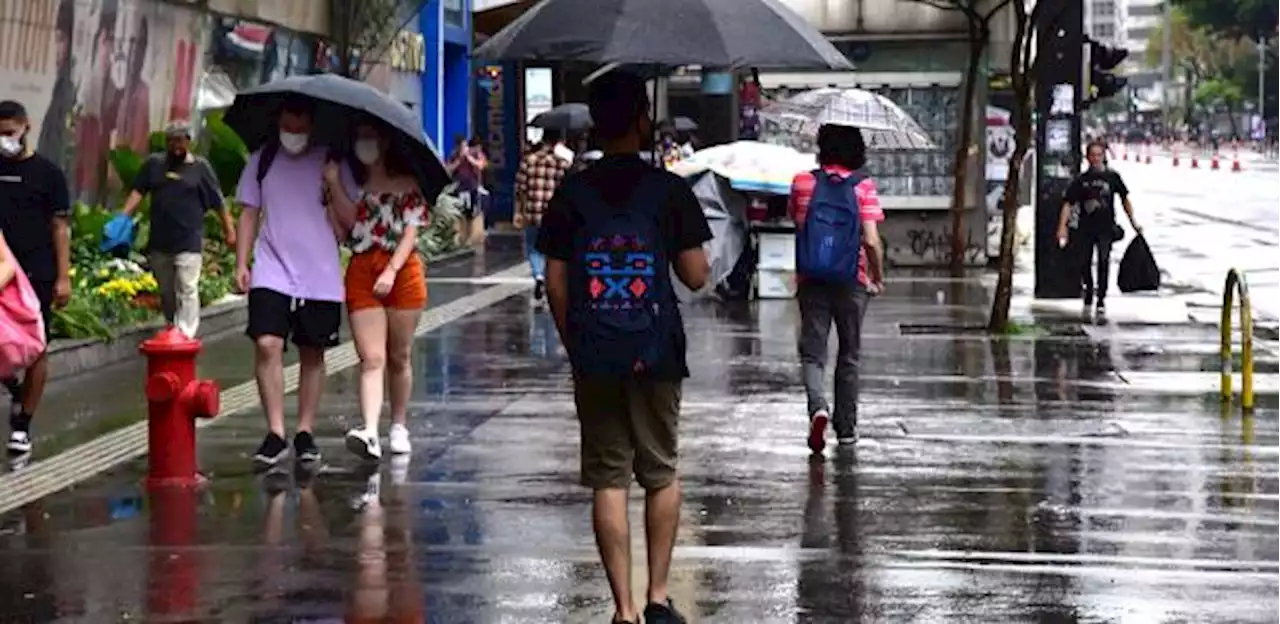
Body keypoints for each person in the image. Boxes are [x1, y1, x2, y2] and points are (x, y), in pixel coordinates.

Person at [537, 70, 711, 624]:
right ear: (643, 120)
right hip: (656, 350)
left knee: (608, 476)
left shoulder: (573, 192)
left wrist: (576, 345)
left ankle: (624, 609)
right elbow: (696, 276)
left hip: (596, 354)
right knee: (660, 469)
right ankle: (659, 598)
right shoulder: (669, 190)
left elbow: (557, 283)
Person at [235, 96, 358, 470]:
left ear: (312, 126)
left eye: (300, 128)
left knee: (312, 352)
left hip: (319, 272)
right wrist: (242, 262)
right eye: (287, 127)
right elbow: (248, 212)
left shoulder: (331, 161)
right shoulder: (263, 160)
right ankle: (275, 432)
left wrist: (334, 184)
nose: (293, 134)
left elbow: (350, 221)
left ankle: (304, 431)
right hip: (271, 268)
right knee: (267, 343)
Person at [323, 118, 429, 461]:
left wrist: (393, 269)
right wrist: (333, 184)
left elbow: (412, 232)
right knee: (372, 358)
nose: (363, 144)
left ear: (384, 142)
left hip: (402, 270)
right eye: (359, 138)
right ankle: (369, 430)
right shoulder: (355, 182)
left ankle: (398, 425)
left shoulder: (408, 183)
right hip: (362, 269)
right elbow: (350, 225)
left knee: (399, 356)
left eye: (369, 137)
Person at [788, 124, 886, 453]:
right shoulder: (863, 187)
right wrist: (877, 275)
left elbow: (798, 223)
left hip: (812, 278)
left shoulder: (802, 182)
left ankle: (818, 408)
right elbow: (871, 240)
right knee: (849, 355)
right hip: (852, 280)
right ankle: (846, 428)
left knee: (813, 352)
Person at [0, 100, 72, 457]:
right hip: (0, 271)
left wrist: (63, 276)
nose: (4, 140)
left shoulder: (48, 174)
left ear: (26, 127)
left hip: (36, 272)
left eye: (10, 133)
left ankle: (23, 424)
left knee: (37, 347)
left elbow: (60, 227)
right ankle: (12, 385)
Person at [120, 121, 236, 338]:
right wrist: (121, 217)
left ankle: (186, 334)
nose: (176, 146)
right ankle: (172, 325)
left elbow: (218, 201)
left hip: (189, 239)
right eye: (171, 141)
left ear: (189, 142)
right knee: (166, 289)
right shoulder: (154, 165)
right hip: (160, 241)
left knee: (187, 286)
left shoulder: (200, 168)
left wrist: (229, 230)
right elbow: (138, 192)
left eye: (180, 141)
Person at [1056, 140, 1142, 316]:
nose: (1096, 159)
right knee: (1084, 262)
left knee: (1104, 260)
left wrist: (1133, 222)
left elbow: (1125, 200)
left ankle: (1101, 296)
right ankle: (1088, 289)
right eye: (1092, 155)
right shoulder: (1081, 180)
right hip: (1085, 228)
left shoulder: (1113, 177)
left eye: (1099, 155)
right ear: (1088, 158)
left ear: (1104, 156)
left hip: (1106, 228)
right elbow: (1068, 204)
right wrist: (1062, 227)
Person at [515, 128, 571, 306]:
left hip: (532, 211)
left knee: (533, 247)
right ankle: (549, 281)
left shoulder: (529, 161)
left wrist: (519, 212)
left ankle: (538, 276)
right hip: (554, 214)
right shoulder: (561, 164)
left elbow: (520, 189)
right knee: (552, 250)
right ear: (557, 143)